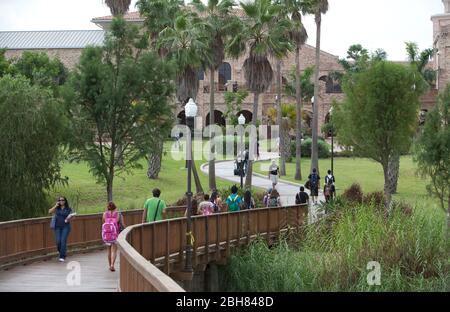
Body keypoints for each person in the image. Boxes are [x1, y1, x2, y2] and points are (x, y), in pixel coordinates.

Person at [102, 202, 125, 272]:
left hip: (107, 235)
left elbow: (103, 223)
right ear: (115, 207)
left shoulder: (104, 214)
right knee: (114, 251)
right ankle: (112, 265)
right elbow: (122, 224)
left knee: (108, 250)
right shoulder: (118, 214)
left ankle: (110, 266)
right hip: (115, 234)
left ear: (107, 207)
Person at [48, 196, 73, 262]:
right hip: (57, 227)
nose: (61, 201)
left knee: (63, 241)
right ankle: (62, 251)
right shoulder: (57, 208)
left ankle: (62, 256)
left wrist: (69, 218)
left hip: (66, 227)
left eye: (62, 200)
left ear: (65, 201)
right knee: (58, 241)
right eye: (60, 200)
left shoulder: (68, 208)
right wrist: (55, 205)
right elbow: (49, 212)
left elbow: (72, 216)